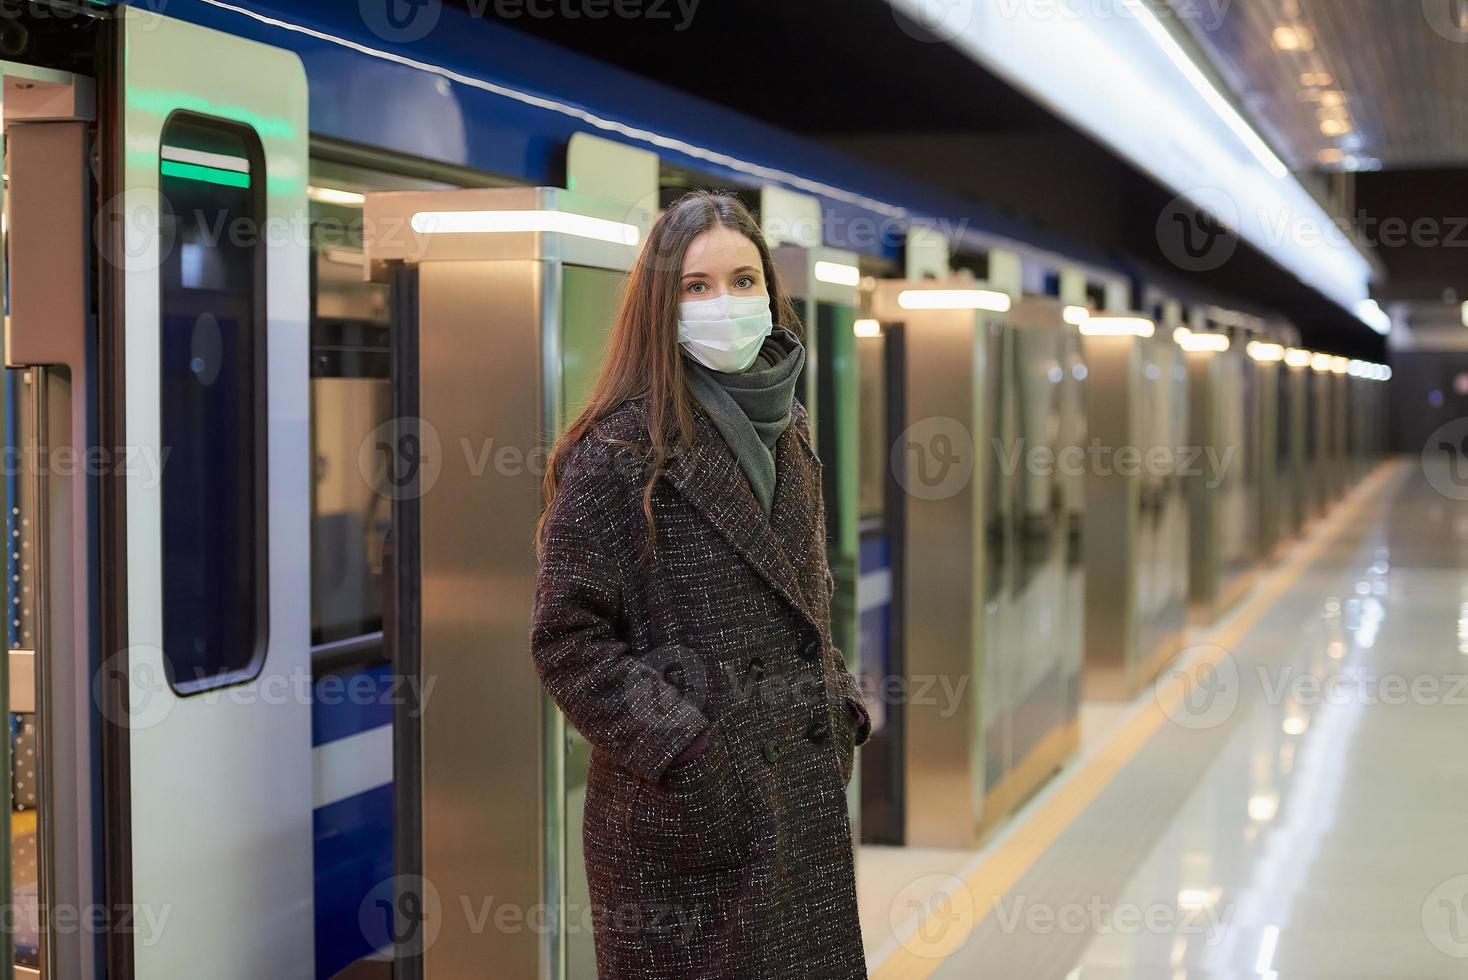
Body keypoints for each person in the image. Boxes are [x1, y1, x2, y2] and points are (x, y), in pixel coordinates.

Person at [531, 190, 871, 979]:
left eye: (745, 281)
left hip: (794, 793)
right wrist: (688, 750)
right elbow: (567, 639)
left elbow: (805, 598)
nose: (728, 303)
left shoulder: (789, 429)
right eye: (698, 286)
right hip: (687, 828)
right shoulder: (617, 448)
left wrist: (837, 699)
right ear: (662, 303)